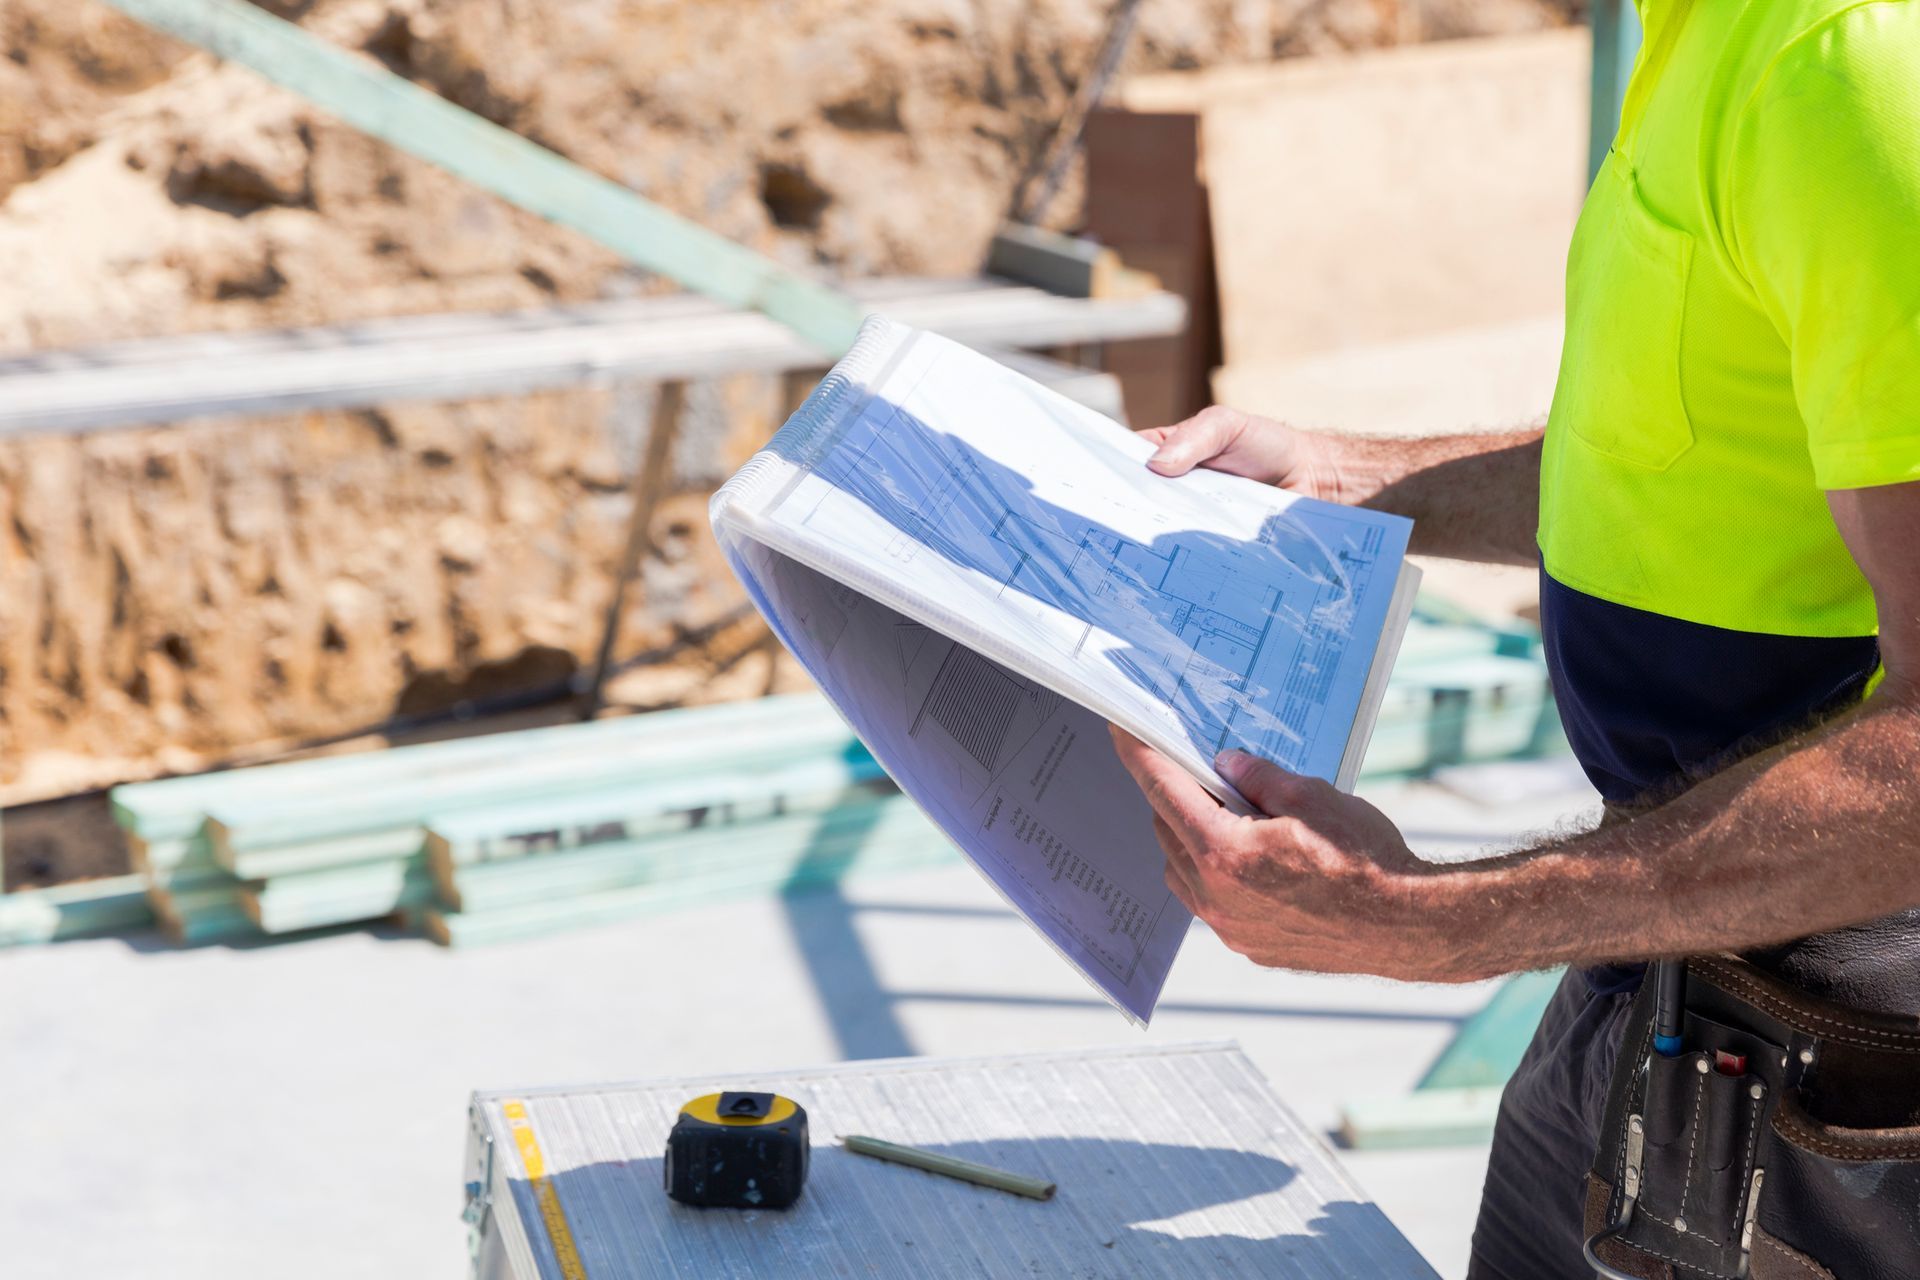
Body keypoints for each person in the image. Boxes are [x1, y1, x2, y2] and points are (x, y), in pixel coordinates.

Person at [1108, 0, 1920, 1273]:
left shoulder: (1859, 78)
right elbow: (1686, 471)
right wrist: (1343, 477)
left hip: (1841, 1073)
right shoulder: (1711, 36)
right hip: (1651, 974)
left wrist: (1432, 920)